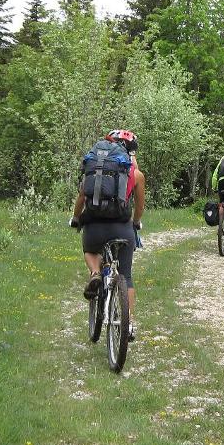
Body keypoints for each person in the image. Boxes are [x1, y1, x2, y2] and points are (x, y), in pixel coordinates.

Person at [70, 129, 146, 341]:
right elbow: (139, 208)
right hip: (122, 228)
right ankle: (128, 323)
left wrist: (76, 218)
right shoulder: (136, 175)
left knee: (91, 250)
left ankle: (95, 273)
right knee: (127, 276)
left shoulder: (97, 169)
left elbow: (82, 197)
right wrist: (136, 223)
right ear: (131, 153)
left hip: (95, 227)